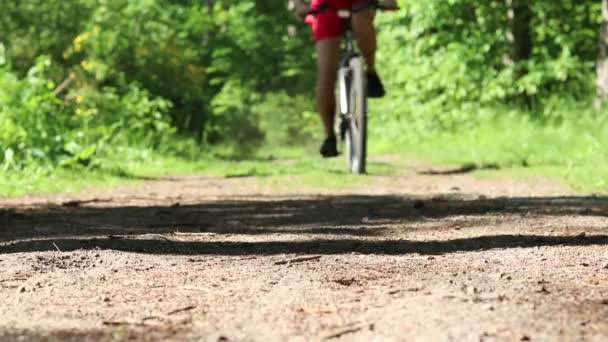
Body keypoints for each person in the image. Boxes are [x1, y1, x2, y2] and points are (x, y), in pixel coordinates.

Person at [292, 0, 397, 157]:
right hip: (325, 7)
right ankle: (329, 136)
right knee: (326, 72)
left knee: (361, 23)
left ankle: (371, 71)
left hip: (360, 3)